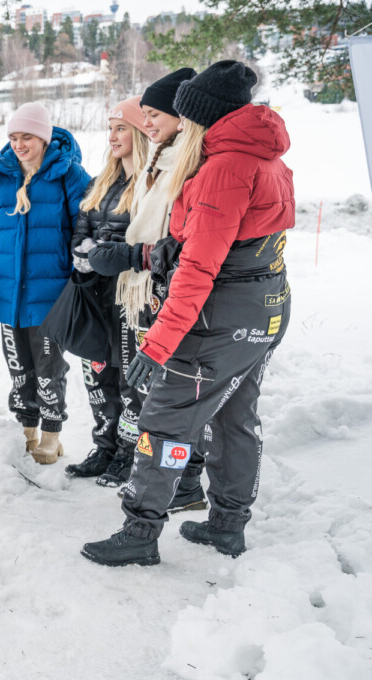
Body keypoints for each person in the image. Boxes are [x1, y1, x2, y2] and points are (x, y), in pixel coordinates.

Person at [82, 60, 293, 566]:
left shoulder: (223, 168)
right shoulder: (264, 158)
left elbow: (199, 270)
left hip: (219, 317)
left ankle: (140, 530)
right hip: (264, 308)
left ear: (201, 116)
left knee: (167, 415)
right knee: (235, 416)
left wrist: (157, 346)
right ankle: (227, 523)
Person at [83, 68, 209, 511]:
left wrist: (132, 255)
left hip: (165, 292)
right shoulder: (162, 158)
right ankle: (173, 481)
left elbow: (180, 239)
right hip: (139, 290)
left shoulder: (185, 163)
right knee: (145, 388)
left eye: (153, 114)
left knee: (163, 393)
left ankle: (176, 483)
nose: (148, 122)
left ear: (180, 115)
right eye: (146, 115)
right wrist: (115, 250)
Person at [0, 102, 91, 464]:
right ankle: (26, 429)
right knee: (18, 367)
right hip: (9, 295)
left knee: (49, 366)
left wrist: (78, 279)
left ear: (44, 136)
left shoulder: (70, 176)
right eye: (13, 137)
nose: (19, 145)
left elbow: (84, 231)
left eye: (27, 137)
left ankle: (52, 434)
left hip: (51, 295)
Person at [65, 97, 149, 479]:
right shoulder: (104, 180)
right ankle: (105, 445)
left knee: (130, 379)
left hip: (131, 296)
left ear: (140, 132)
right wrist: (81, 252)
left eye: (121, 128)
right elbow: (82, 223)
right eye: (110, 128)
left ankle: (129, 454)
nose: (112, 136)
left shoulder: (151, 180)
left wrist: (104, 252)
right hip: (95, 295)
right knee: (97, 376)